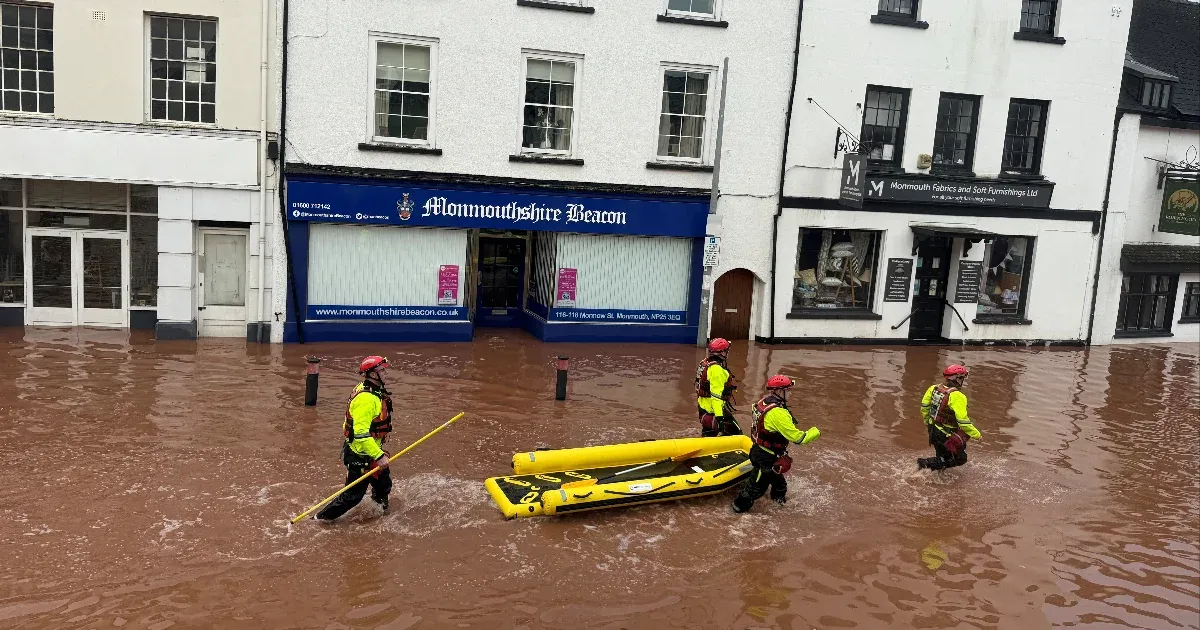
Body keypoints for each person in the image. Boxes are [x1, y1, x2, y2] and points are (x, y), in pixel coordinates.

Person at [315, 356, 394, 521]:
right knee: (352, 496)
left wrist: (377, 454)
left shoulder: (372, 389)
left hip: (371, 451)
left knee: (383, 486)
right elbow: (360, 433)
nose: (386, 373)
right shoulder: (367, 399)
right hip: (361, 455)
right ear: (372, 374)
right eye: (382, 370)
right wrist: (379, 456)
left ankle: (379, 514)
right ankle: (320, 520)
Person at [732, 375, 820, 513]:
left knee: (780, 485)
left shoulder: (762, 402)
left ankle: (778, 510)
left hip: (761, 451)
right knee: (753, 490)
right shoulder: (778, 413)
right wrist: (817, 431)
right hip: (765, 457)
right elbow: (799, 439)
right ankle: (735, 513)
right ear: (779, 391)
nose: (791, 393)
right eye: (788, 390)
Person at [917, 364, 981, 471]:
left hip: (933, 429)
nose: (963, 381)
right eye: (962, 378)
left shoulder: (933, 388)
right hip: (946, 434)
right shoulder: (958, 396)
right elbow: (963, 422)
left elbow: (924, 408)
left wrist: (928, 423)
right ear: (958, 378)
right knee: (960, 458)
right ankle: (924, 463)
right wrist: (977, 435)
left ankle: (935, 478)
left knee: (941, 457)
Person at [696, 338, 741, 437]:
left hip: (703, 407)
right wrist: (720, 418)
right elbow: (716, 396)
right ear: (722, 353)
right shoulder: (717, 370)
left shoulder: (705, 363)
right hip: (713, 411)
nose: (728, 353)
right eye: (726, 350)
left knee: (709, 435)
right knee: (737, 433)